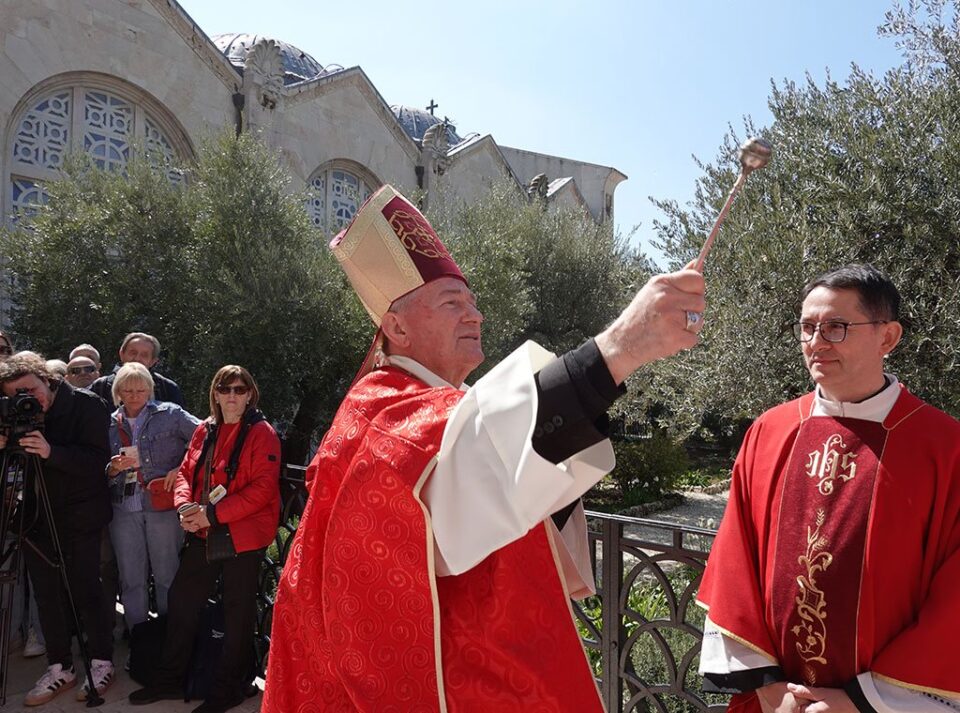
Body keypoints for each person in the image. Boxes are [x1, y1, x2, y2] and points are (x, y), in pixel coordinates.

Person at [261, 185, 705, 711]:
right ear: (396, 326)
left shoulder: (437, 401)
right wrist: (620, 347)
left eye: (473, 303)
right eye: (453, 304)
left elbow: (494, 468)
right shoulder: (382, 410)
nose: (475, 316)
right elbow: (468, 470)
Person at [697, 264, 960, 713]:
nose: (816, 343)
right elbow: (734, 563)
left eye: (836, 327)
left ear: (887, 337)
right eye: (806, 328)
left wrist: (862, 702)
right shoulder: (770, 430)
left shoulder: (944, 446)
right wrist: (769, 687)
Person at [128, 365, 281, 713]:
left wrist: (210, 514)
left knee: (237, 614)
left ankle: (228, 690)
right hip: (203, 529)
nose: (232, 395)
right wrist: (184, 507)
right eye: (225, 388)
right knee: (183, 602)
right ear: (215, 393)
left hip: (242, 535)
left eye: (240, 390)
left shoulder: (263, 433)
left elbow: (262, 489)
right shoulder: (205, 430)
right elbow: (184, 472)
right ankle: (169, 679)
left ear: (250, 394)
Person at [0, 352, 115, 705]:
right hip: (35, 517)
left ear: (46, 378)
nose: (25, 400)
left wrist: (52, 452)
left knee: (86, 589)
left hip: (80, 514)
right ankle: (60, 666)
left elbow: (100, 462)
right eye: (14, 395)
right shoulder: (12, 412)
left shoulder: (87, 405)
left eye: (30, 390)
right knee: (47, 595)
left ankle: (101, 663)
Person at [106, 362, 200, 629]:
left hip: (163, 506)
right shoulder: (109, 423)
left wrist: (180, 469)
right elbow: (96, 465)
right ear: (118, 392)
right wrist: (111, 467)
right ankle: (141, 642)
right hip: (123, 508)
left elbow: (205, 439)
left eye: (141, 389)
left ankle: (170, 641)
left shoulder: (171, 414)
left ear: (150, 389)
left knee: (167, 575)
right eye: (128, 390)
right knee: (131, 578)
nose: (135, 395)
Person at [90, 332, 184, 406]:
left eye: (144, 355)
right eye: (133, 352)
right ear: (121, 354)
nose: (137, 358)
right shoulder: (101, 386)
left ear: (153, 361)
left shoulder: (167, 389)